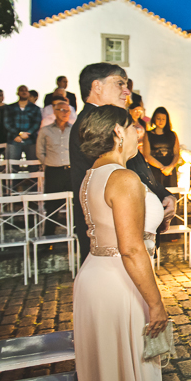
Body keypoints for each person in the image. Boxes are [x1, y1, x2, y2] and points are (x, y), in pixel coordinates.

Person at [73, 105, 167, 381]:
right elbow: (131, 247)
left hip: (94, 276)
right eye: (132, 127)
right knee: (132, 369)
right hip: (120, 282)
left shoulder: (90, 176)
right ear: (116, 132)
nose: (138, 133)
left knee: (109, 374)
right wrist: (156, 304)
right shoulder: (123, 177)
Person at [70, 63, 175, 264]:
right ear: (97, 87)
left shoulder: (110, 119)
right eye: (120, 83)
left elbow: (137, 166)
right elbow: (118, 177)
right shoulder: (90, 124)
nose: (127, 91)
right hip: (112, 233)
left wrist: (164, 195)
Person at [36, 99, 72, 235]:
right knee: (52, 206)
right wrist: (49, 163)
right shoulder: (45, 130)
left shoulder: (74, 130)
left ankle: (76, 235)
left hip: (70, 171)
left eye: (67, 110)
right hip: (53, 171)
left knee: (75, 204)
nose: (65, 113)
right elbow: (40, 151)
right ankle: (48, 238)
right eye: (61, 110)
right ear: (55, 112)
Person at [143, 107, 180, 188]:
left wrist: (170, 167)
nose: (161, 121)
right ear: (154, 119)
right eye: (158, 118)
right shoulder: (148, 134)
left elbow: (176, 153)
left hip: (170, 169)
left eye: (163, 119)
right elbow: (147, 154)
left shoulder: (172, 135)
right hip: (155, 169)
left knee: (171, 193)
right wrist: (163, 168)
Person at [4, 85, 41, 160]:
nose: (24, 92)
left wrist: (27, 133)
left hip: (31, 140)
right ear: (17, 93)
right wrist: (19, 134)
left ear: (28, 93)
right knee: (12, 166)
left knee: (33, 165)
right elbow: (7, 123)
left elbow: (37, 123)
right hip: (14, 139)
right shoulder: (10, 107)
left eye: (26, 91)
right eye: (21, 90)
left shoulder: (35, 108)